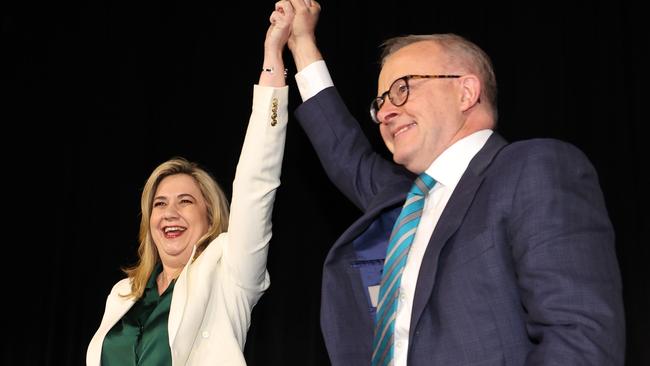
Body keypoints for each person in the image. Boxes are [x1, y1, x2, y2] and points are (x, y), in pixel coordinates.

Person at [286, 0, 625, 365]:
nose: (384, 112)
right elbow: (343, 151)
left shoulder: (530, 168)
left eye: (402, 88)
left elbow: (579, 338)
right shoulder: (403, 199)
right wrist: (301, 43)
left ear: (466, 92)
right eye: (380, 101)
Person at [86, 2, 295, 365]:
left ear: (209, 214)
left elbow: (256, 183)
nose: (169, 213)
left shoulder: (229, 272)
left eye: (185, 201)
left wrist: (272, 55)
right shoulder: (123, 295)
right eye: (159, 203)